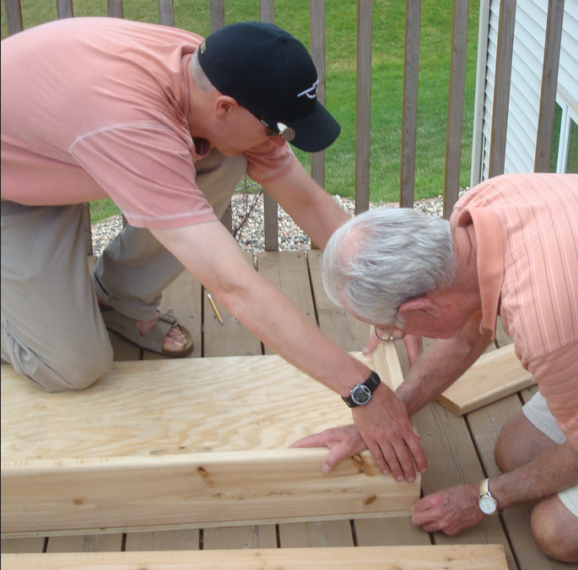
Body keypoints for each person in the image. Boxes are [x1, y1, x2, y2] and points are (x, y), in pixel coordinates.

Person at [0, 17, 426, 483]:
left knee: (226, 156)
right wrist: (361, 389)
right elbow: (232, 285)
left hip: (63, 147)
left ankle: (114, 299)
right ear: (224, 107)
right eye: (278, 128)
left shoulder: (216, 72)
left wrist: (390, 294)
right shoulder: (136, 123)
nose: (281, 141)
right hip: (16, 189)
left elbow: (305, 199)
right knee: (73, 366)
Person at [292, 173, 578, 562]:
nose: (393, 336)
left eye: (391, 329)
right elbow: (467, 333)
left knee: (559, 531)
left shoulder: (555, 320)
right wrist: (387, 411)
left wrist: (483, 497)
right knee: (516, 453)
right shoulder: (480, 212)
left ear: (420, 309)